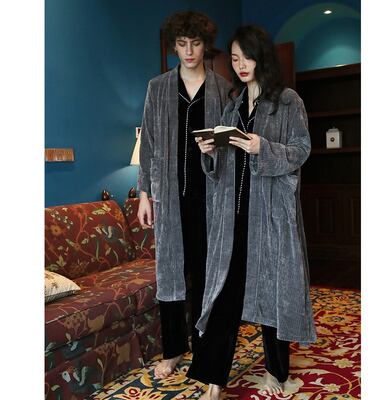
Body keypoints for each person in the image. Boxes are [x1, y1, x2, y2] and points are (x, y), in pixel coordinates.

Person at [186, 25, 317, 399]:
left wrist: (263, 147)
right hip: (232, 218)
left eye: (246, 56)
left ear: (262, 57)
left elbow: (301, 150)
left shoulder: (288, 101)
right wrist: (210, 153)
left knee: (273, 293)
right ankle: (213, 379)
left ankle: (276, 372)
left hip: (270, 216)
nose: (240, 64)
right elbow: (221, 171)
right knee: (223, 295)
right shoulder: (232, 106)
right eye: (234, 58)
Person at [137, 11, 231, 380]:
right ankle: (174, 350)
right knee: (171, 274)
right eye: (182, 44)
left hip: (212, 198)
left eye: (195, 44)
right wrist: (144, 194)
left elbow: (233, 144)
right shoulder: (157, 87)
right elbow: (148, 144)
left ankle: (206, 350)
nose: (189, 51)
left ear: (205, 46)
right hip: (169, 198)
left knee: (208, 274)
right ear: (174, 47)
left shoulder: (224, 88)